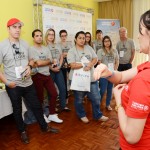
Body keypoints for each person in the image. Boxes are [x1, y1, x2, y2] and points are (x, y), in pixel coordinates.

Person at [94, 10, 150, 150]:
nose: (137, 36)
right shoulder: (145, 67)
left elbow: (131, 136)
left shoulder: (143, 81)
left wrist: (119, 102)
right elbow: (122, 76)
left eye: (141, 31)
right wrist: (108, 72)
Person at [0, 18, 59, 144]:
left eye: (19, 27)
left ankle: (44, 127)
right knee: (17, 109)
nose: (17, 29)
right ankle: (22, 131)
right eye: (14, 27)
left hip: (28, 82)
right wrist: (7, 83)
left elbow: (31, 59)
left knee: (37, 106)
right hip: (13, 85)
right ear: (8, 29)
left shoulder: (25, 44)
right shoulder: (2, 46)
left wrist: (30, 66)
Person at [67, 31, 109, 123]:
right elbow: (72, 65)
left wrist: (91, 64)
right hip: (78, 80)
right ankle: (81, 115)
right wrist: (85, 64)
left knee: (96, 98)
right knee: (79, 99)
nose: (82, 40)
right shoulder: (71, 50)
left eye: (83, 38)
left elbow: (95, 58)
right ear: (75, 39)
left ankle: (97, 115)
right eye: (80, 38)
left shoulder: (89, 48)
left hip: (91, 78)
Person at [29, 29, 63, 123]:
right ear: (33, 38)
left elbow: (50, 60)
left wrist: (44, 62)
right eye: (37, 36)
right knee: (40, 97)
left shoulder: (46, 48)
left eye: (40, 35)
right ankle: (42, 115)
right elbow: (38, 63)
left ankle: (52, 114)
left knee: (54, 94)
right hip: (37, 75)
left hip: (47, 74)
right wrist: (46, 61)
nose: (39, 37)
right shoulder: (31, 49)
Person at [45, 28, 69, 112]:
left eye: (52, 34)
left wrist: (59, 66)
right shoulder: (44, 46)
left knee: (62, 88)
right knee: (51, 90)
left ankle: (63, 106)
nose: (51, 36)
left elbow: (61, 56)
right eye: (49, 34)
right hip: (50, 71)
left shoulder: (57, 45)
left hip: (58, 69)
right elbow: (45, 59)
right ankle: (52, 106)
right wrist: (51, 68)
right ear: (47, 35)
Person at [97, 35, 119, 111]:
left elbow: (117, 61)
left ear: (110, 42)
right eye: (105, 41)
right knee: (102, 90)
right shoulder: (100, 51)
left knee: (110, 90)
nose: (107, 43)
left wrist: (115, 68)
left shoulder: (114, 50)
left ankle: (108, 104)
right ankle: (98, 103)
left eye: (108, 41)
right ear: (103, 43)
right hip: (104, 74)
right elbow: (99, 62)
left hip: (112, 73)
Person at [58, 29, 72, 104]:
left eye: (65, 36)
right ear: (60, 36)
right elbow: (61, 55)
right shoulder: (58, 45)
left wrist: (65, 54)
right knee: (64, 82)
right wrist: (67, 53)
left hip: (70, 64)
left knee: (72, 80)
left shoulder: (70, 44)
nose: (64, 37)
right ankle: (65, 98)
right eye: (62, 36)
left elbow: (72, 53)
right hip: (62, 65)